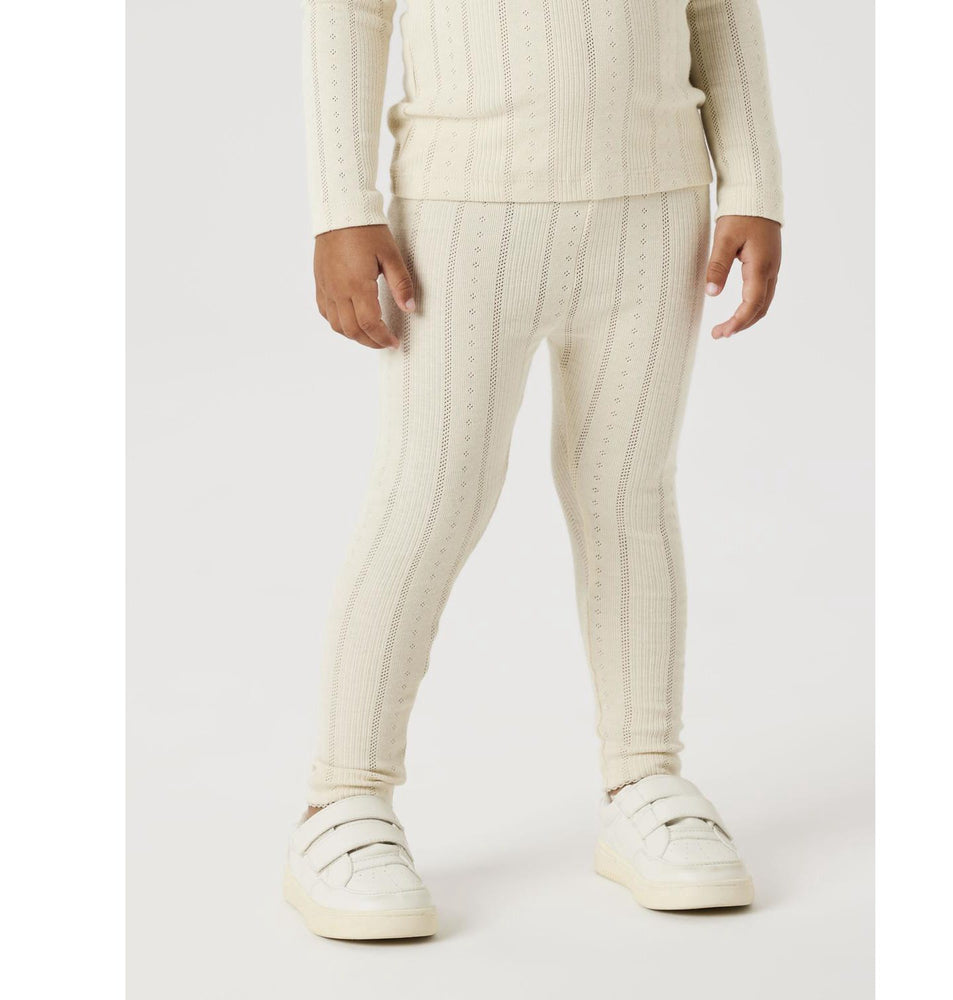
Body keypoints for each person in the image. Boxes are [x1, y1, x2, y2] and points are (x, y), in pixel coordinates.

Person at [284, 0, 783, 940]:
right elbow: (348, 12)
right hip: (457, 214)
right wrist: (342, 208)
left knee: (630, 494)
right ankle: (341, 797)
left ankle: (644, 777)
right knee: (431, 495)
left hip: (658, 204)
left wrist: (753, 181)